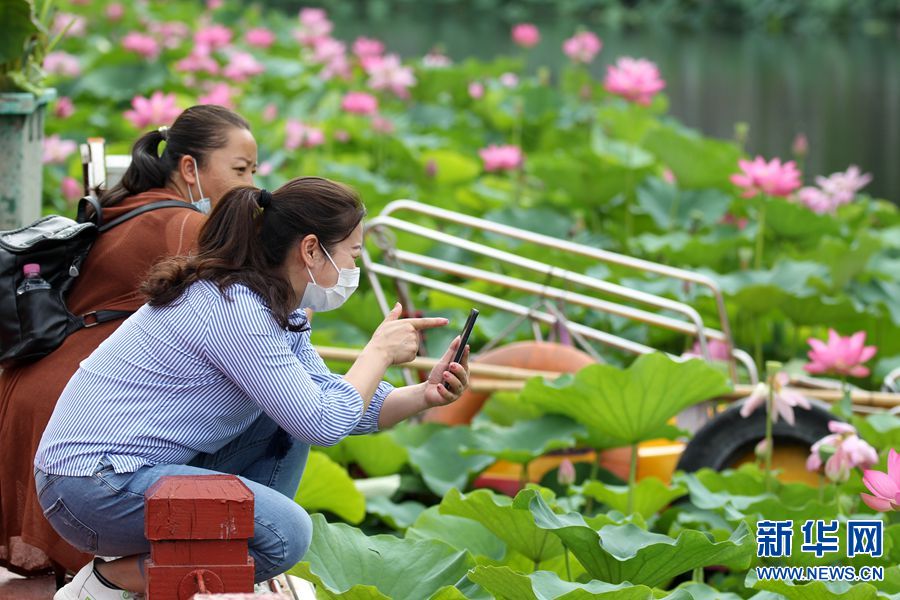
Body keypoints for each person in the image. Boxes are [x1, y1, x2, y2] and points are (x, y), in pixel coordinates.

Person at [34, 177, 470, 599]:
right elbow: (324, 422)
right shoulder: (235, 309)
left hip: (134, 473)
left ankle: (218, 563)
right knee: (285, 538)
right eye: (353, 254)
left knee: (286, 426)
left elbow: (326, 399)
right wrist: (377, 352)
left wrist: (423, 395)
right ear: (312, 250)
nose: (354, 268)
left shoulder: (272, 306)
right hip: (92, 484)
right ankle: (107, 583)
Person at [0, 104, 257, 579]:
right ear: (189, 169)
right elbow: (249, 303)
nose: (251, 187)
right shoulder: (186, 226)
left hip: (35, 380)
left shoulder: (132, 201)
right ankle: (227, 550)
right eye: (239, 170)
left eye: (255, 171)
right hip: (69, 394)